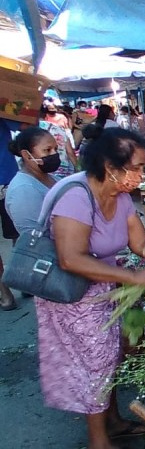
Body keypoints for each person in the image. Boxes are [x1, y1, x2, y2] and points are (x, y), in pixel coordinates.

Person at [36, 127, 145, 449]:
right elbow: (71, 258)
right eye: (137, 167)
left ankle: (113, 422)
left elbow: (141, 243)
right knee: (93, 365)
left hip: (104, 289)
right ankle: (98, 448)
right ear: (112, 167)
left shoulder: (121, 196)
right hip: (73, 295)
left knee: (110, 357)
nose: (142, 174)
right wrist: (133, 276)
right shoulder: (76, 196)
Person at [6, 127, 59, 234]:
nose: (54, 154)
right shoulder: (22, 190)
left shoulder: (53, 178)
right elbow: (34, 235)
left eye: (56, 149)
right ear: (26, 155)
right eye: (47, 150)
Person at [0, 119, 19, 311]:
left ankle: (22, 276)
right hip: (8, 180)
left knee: (20, 234)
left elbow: (24, 124)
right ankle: (5, 292)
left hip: (7, 183)